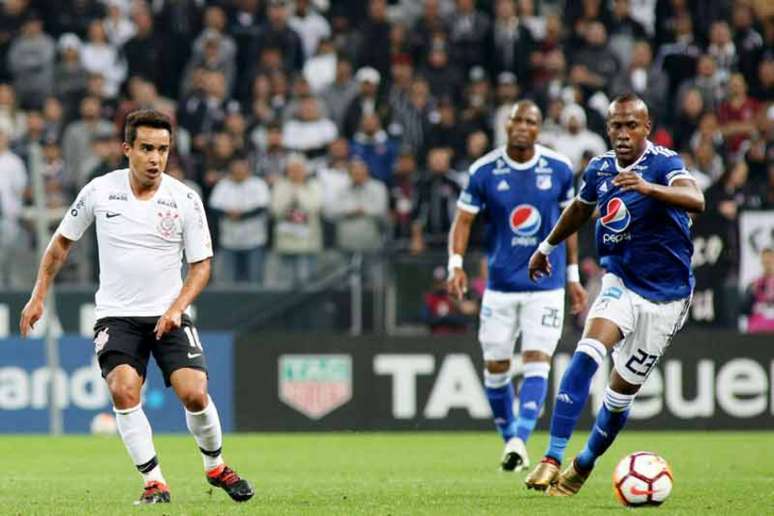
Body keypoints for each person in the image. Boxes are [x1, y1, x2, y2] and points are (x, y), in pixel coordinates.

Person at [19, 110, 254, 505]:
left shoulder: (185, 199)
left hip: (170, 313)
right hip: (117, 315)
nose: (155, 158)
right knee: (124, 390)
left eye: (162, 149)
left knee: (194, 394)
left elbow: (201, 265)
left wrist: (177, 307)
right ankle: (154, 482)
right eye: (146, 148)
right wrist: (38, 294)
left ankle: (215, 465)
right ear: (127, 149)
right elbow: (61, 243)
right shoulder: (99, 191)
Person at [524, 94, 704, 495]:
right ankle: (552, 457)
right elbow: (579, 208)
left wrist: (648, 188)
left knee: (618, 396)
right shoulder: (600, 168)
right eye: (616, 126)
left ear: (646, 127)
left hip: (667, 299)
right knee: (588, 350)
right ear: (607, 129)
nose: (622, 134)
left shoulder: (664, 163)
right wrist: (545, 247)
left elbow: (698, 200)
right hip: (620, 281)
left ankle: (584, 462)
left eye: (631, 126)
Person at [447, 100, 587, 473]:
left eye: (531, 121)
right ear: (506, 126)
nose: (524, 126)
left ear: (540, 128)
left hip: (546, 284)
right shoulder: (483, 171)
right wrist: (456, 265)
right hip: (501, 285)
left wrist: (573, 277)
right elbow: (462, 222)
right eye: (517, 120)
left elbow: (569, 223)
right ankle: (512, 437)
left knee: (537, 358)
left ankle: (518, 440)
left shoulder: (558, 168)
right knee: (495, 367)